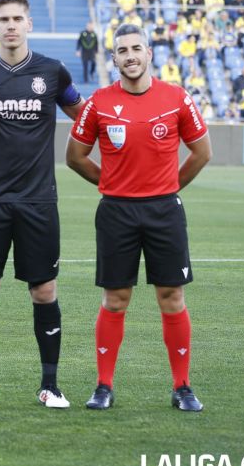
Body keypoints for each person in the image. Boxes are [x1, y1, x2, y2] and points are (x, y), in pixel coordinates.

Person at [66, 23, 211, 412]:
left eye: (136, 48)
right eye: (122, 51)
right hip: (116, 211)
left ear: (149, 53)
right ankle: (103, 386)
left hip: (164, 210)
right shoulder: (98, 102)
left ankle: (182, 387)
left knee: (172, 296)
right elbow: (75, 157)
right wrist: (109, 182)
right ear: (113, 59)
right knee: (115, 299)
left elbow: (201, 152)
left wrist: (170, 187)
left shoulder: (177, 98)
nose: (130, 56)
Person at [0, 0, 83, 409]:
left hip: (39, 200)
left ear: (29, 25)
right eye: (3, 19)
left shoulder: (53, 72)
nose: (10, 26)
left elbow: (88, 117)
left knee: (43, 289)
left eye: (17, 19)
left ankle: (50, 386)